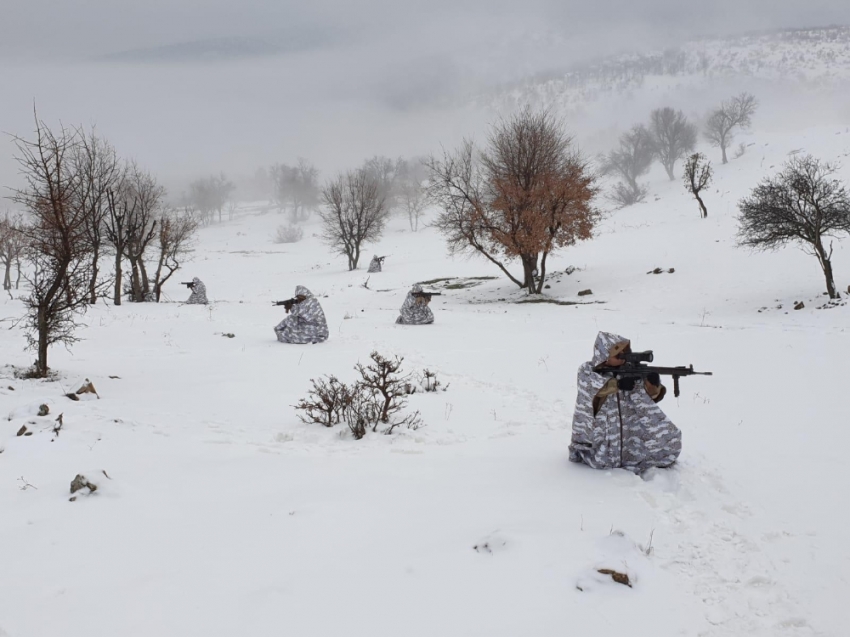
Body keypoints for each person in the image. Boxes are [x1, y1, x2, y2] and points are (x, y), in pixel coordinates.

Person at [569, 332, 681, 473]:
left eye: (625, 353)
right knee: (603, 459)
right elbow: (592, 388)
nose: (622, 358)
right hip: (601, 436)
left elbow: (648, 400)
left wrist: (653, 385)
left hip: (629, 437)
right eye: (618, 355)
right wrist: (617, 384)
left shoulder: (631, 371)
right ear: (604, 355)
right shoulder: (587, 370)